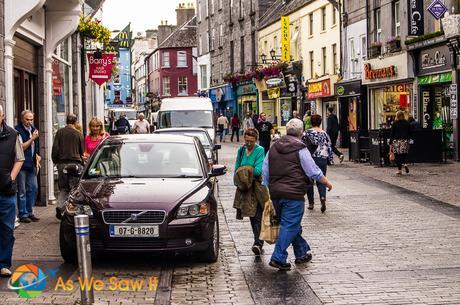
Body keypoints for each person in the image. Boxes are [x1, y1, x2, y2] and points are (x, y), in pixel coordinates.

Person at [262, 119, 332, 271]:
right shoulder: (300, 148)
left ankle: (301, 252)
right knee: (290, 225)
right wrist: (326, 182)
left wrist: (269, 187)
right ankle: (278, 257)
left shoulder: (273, 148)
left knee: (290, 224)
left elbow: (265, 171)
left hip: (275, 193)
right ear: (301, 133)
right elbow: (312, 170)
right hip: (293, 194)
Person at [233, 128, 267, 255]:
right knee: (251, 215)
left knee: (257, 215)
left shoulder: (260, 150)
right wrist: (241, 176)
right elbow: (237, 168)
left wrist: (243, 171)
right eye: (246, 140)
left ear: (256, 140)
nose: (248, 143)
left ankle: (258, 243)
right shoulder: (241, 150)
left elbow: (258, 170)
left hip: (256, 188)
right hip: (244, 188)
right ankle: (258, 240)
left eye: (251, 141)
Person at [0, 104, 25, 277]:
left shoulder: (12, 135)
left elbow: (19, 158)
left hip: (6, 191)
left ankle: (3, 263)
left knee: (6, 229)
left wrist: (11, 178)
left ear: (2, 116)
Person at [52, 114, 84, 219]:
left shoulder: (60, 132)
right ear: (75, 122)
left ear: (66, 121)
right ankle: (71, 211)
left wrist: (56, 161)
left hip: (62, 164)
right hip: (75, 164)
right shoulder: (78, 134)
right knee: (73, 188)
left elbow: (55, 148)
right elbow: (81, 151)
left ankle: (60, 206)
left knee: (63, 188)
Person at [303, 114, 333, 212]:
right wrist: (330, 158)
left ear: (311, 122)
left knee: (309, 181)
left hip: (310, 159)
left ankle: (311, 203)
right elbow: (329, 146)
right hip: (322, 159)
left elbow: (301, 145)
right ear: (320, 122)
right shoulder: (324, 133)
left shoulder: (307, 133)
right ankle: (323, 197)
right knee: (321, 179)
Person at [15, 110, 41, 223]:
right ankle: (23, 214)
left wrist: (37, 155)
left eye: (31, 119)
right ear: (22, 119)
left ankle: (30, 212)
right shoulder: (18, 130)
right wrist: (32, 139)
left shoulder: (33, 129)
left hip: (32, 164)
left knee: (33, 189)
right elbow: (21, 147)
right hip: (21, 165)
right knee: (22, 191)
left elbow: (35, 146)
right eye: (27, 119)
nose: (29, 122)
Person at [390, 111, 411, 175]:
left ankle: (399, 170)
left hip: (396, 141)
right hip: (405, 141)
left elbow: (392, 133)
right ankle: (405, 164)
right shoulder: (407, 123)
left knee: (397, 155)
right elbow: (410, 132)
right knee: (404, 154)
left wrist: (390, 142)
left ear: (397, 116)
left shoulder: (395, 123)